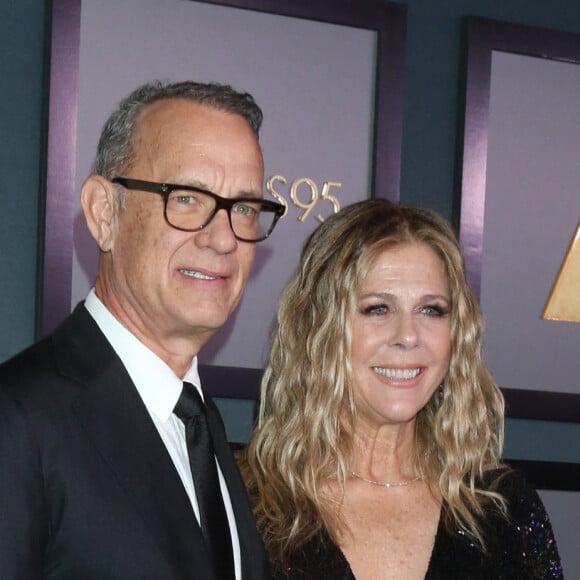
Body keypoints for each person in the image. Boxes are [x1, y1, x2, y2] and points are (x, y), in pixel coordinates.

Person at [0, 80, 284, 579]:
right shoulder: (17, 421)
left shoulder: (200, 422)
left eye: (242, 207)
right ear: (103, 212)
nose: (222, 239)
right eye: (188, 198)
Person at [240, 199, 563, 579]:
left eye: (431, 310)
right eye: (378, 308)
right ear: (317, 328)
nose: (408, 336)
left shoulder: (504, 510)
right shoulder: (249, 506)